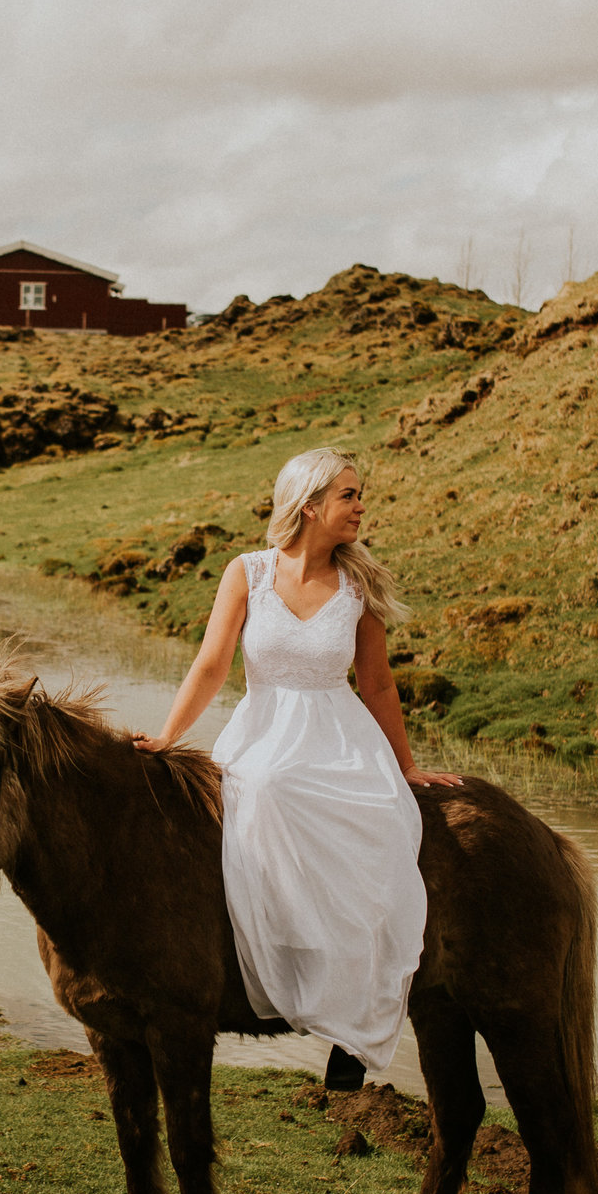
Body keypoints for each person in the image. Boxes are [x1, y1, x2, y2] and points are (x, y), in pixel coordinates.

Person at [131, 447, 461, 1093]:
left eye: (360, 494)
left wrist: (406, 767)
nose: (361, 505)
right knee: (261, 787)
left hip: (339, 734)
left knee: (375, 835)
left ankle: (353, 1022)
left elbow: (378, 683)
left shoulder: (358, 585)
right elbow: (211, 664)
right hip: (264, 728)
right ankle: (267, 969)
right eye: (349, 494)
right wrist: (169, 736)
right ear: (309, 504)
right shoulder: (248, 572)